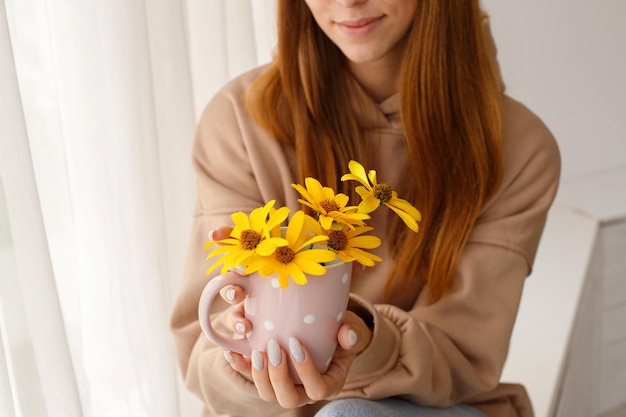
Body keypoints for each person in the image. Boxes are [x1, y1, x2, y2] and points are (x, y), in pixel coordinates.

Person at [170, 1, 560, 416]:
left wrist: (364, 342)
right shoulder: (241, 120)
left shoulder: (516, 147)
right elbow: (204, 354)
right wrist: (247, 344)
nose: (348, 1)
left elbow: (465, 353)